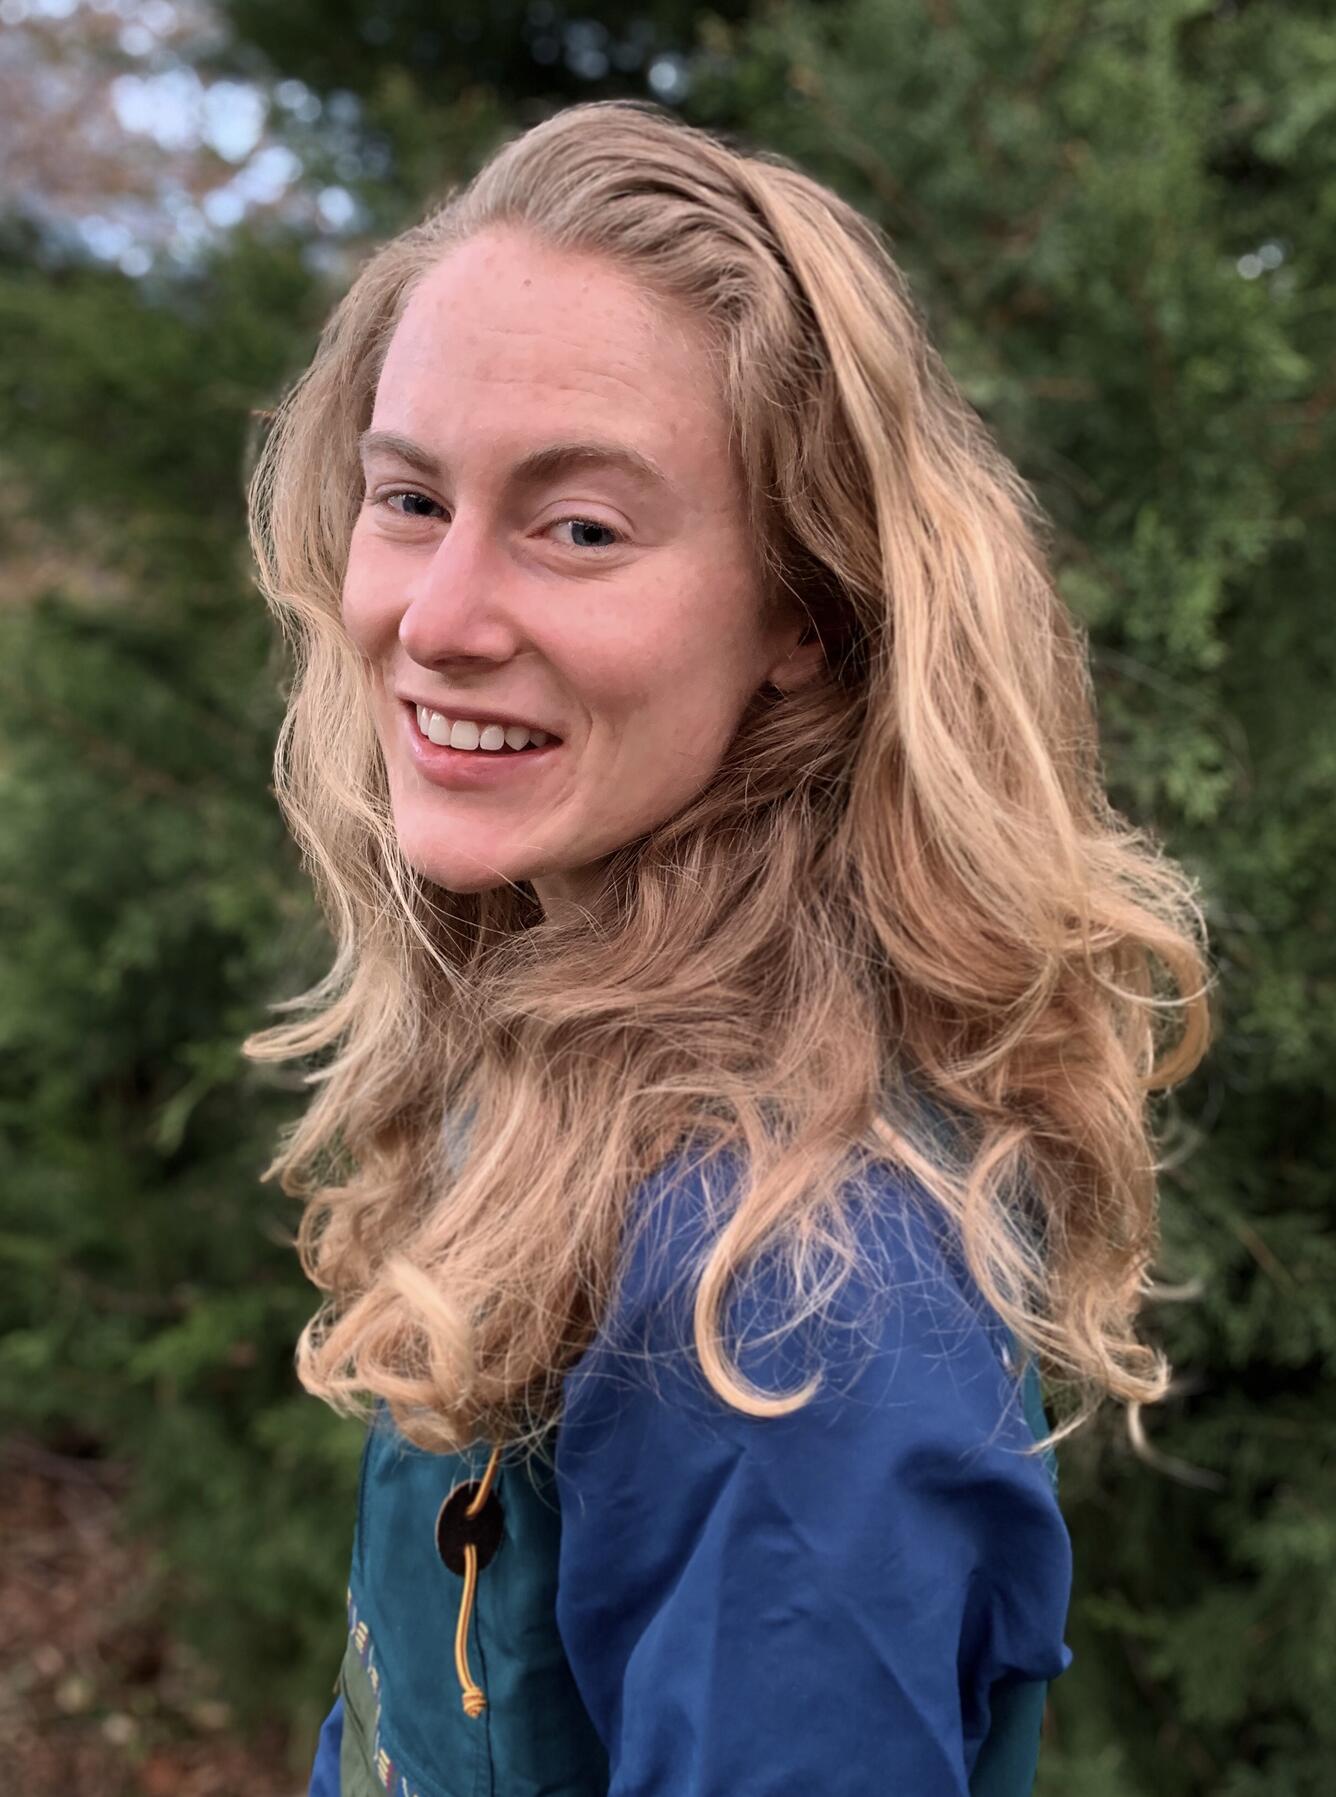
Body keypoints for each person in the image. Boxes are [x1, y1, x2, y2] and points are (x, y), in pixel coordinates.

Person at [242, 99, 1211, 1797]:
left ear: (804, 620)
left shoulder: (769, 1301)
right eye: (409, 497)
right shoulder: (566, 1038)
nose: (437, 616)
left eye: (581, 527)